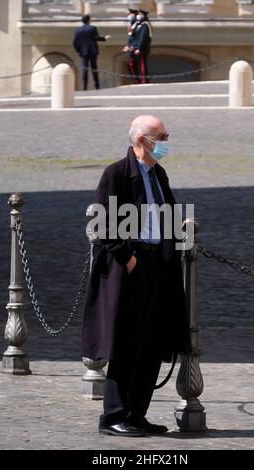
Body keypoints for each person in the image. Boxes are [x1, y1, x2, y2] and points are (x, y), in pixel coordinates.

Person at [81, 115, 191, 437]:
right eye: (163, 136)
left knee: (152, 343)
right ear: (143, 140)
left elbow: (165, 214)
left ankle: (136, 414)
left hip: (159, 265)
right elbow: (102, 224)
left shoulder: (159, 173)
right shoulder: (116, 173)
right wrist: (128, 258)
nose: (167, 141)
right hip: (130, 267)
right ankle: (113, 416)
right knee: (125, 343)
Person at [73, 14, 111, 90]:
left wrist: (78, 50)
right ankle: (97, 85)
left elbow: (74, 42)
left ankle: (84, 87)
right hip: (92, 51)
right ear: (88, 20)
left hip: (84, 52)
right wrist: (105, 38)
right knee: (94, 69)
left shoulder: (78, 30)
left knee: (85, 69)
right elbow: (96, 38)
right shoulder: (92, 28)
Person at [133, 10, 152, 84]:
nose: (138, 16)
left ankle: (144, 80)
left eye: (140, 14)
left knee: (143, 64)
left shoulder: (145, 25)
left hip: (142, 49)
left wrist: (139, 48)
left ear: (144, 15)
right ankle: (140, 80)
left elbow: (142, 38)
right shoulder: (139, 24)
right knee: (139, 64)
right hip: (138, 48)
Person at [122, 8, 140, 84]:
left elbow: (138, 38)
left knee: (133, 66)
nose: (128, 16)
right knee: (130, 66)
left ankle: (137, 82)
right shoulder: (132, 25)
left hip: (133, 49)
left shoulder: (138, 26)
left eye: (130, 14)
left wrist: (133, 47)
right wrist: (127, 46)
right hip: (130, 48)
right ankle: (135, 81)